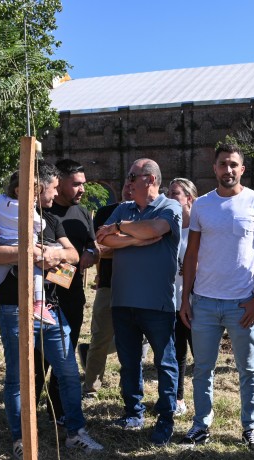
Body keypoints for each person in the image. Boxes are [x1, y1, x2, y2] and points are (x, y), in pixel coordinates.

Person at [0, 162, 104, 457]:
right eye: (54, 187)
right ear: (36, 188)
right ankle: (22, 439)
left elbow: (72, 254)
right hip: (14, 309)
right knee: (19, 377)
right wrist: (28, 253)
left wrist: (53, 254)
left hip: (51, 309)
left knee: (69, 373)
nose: (57, 192)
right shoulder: (0, 213)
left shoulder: (48, 219)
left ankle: (75, 433)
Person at [179, 143, 254, 449]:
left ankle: (250, 428)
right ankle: (200, 425)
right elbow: (191, 254)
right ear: (214, 168)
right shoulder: (203, 206)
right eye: (223, 164)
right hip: (204, 302)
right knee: (203, 369)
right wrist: (185, 298)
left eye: (234, 164)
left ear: (242, 169)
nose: (228, 170)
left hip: (243, 302)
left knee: (248, 369)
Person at [96, 158, 181, 444]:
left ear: (152, 180)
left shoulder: (170, 207)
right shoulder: (124, 207)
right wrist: (136, 239)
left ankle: (166, 417)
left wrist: (122, 229)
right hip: (122, 301)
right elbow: (102, 239)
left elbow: (155, 230)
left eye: (134, 176)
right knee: (128, 361)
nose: (129, 180)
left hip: (157, 304)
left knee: (165, 362)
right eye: (129, 176)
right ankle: (133, 412)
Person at [35, 159, 98, 421]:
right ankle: (28, 412)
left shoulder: (82, 213)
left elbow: (93, 247)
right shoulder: (40, 212)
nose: (82, 189)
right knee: (38, 360)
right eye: (76, 184)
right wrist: (65, 263)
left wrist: (89, 256)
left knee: (66, 358)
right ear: (58, 183)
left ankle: (57, 410)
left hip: (72, 298)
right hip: (41, 299)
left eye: (83, 184)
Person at [0, 178, 54, 324]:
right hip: (25, 246)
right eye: (35, 193)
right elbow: (39, 225)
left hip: (4, 244)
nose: (36, 197)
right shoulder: (27, 209)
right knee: (37, 275)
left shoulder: (0, 203)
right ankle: (40, 305)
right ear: (19, 191)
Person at [82, 182, 127, 395]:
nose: (129, 188)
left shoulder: (149, 213)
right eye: (127, 183)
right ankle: (91, 387)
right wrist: (134, 242)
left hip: (139, 286)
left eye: (134, 183)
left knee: (136, 340)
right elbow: (97, 248)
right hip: (108, 283)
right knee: (100, 336)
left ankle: (128, 388)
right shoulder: (106, 212)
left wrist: (115, 245)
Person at [166, 177, 198, 417]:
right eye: (168, 193)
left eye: (175, 193)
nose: (169, 197)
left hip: (197, 302)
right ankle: (177, 398)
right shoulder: (168, 228)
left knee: (201, 354)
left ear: (189, 199)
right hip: (172, 302)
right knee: (176, 354)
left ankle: (202, 401)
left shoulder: (199, 231)